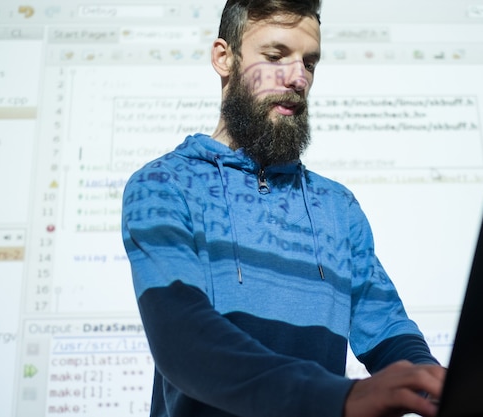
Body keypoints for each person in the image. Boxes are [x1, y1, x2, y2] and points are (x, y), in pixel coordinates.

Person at [121, 0, 446, 416]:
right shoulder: (164, 185)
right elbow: (184, 343)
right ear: (224, 58)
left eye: (309, 62)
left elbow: (387, 329)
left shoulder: (338, 206)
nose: (298, 78)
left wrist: (434, 384)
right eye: (276, 57)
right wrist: (341, 397)